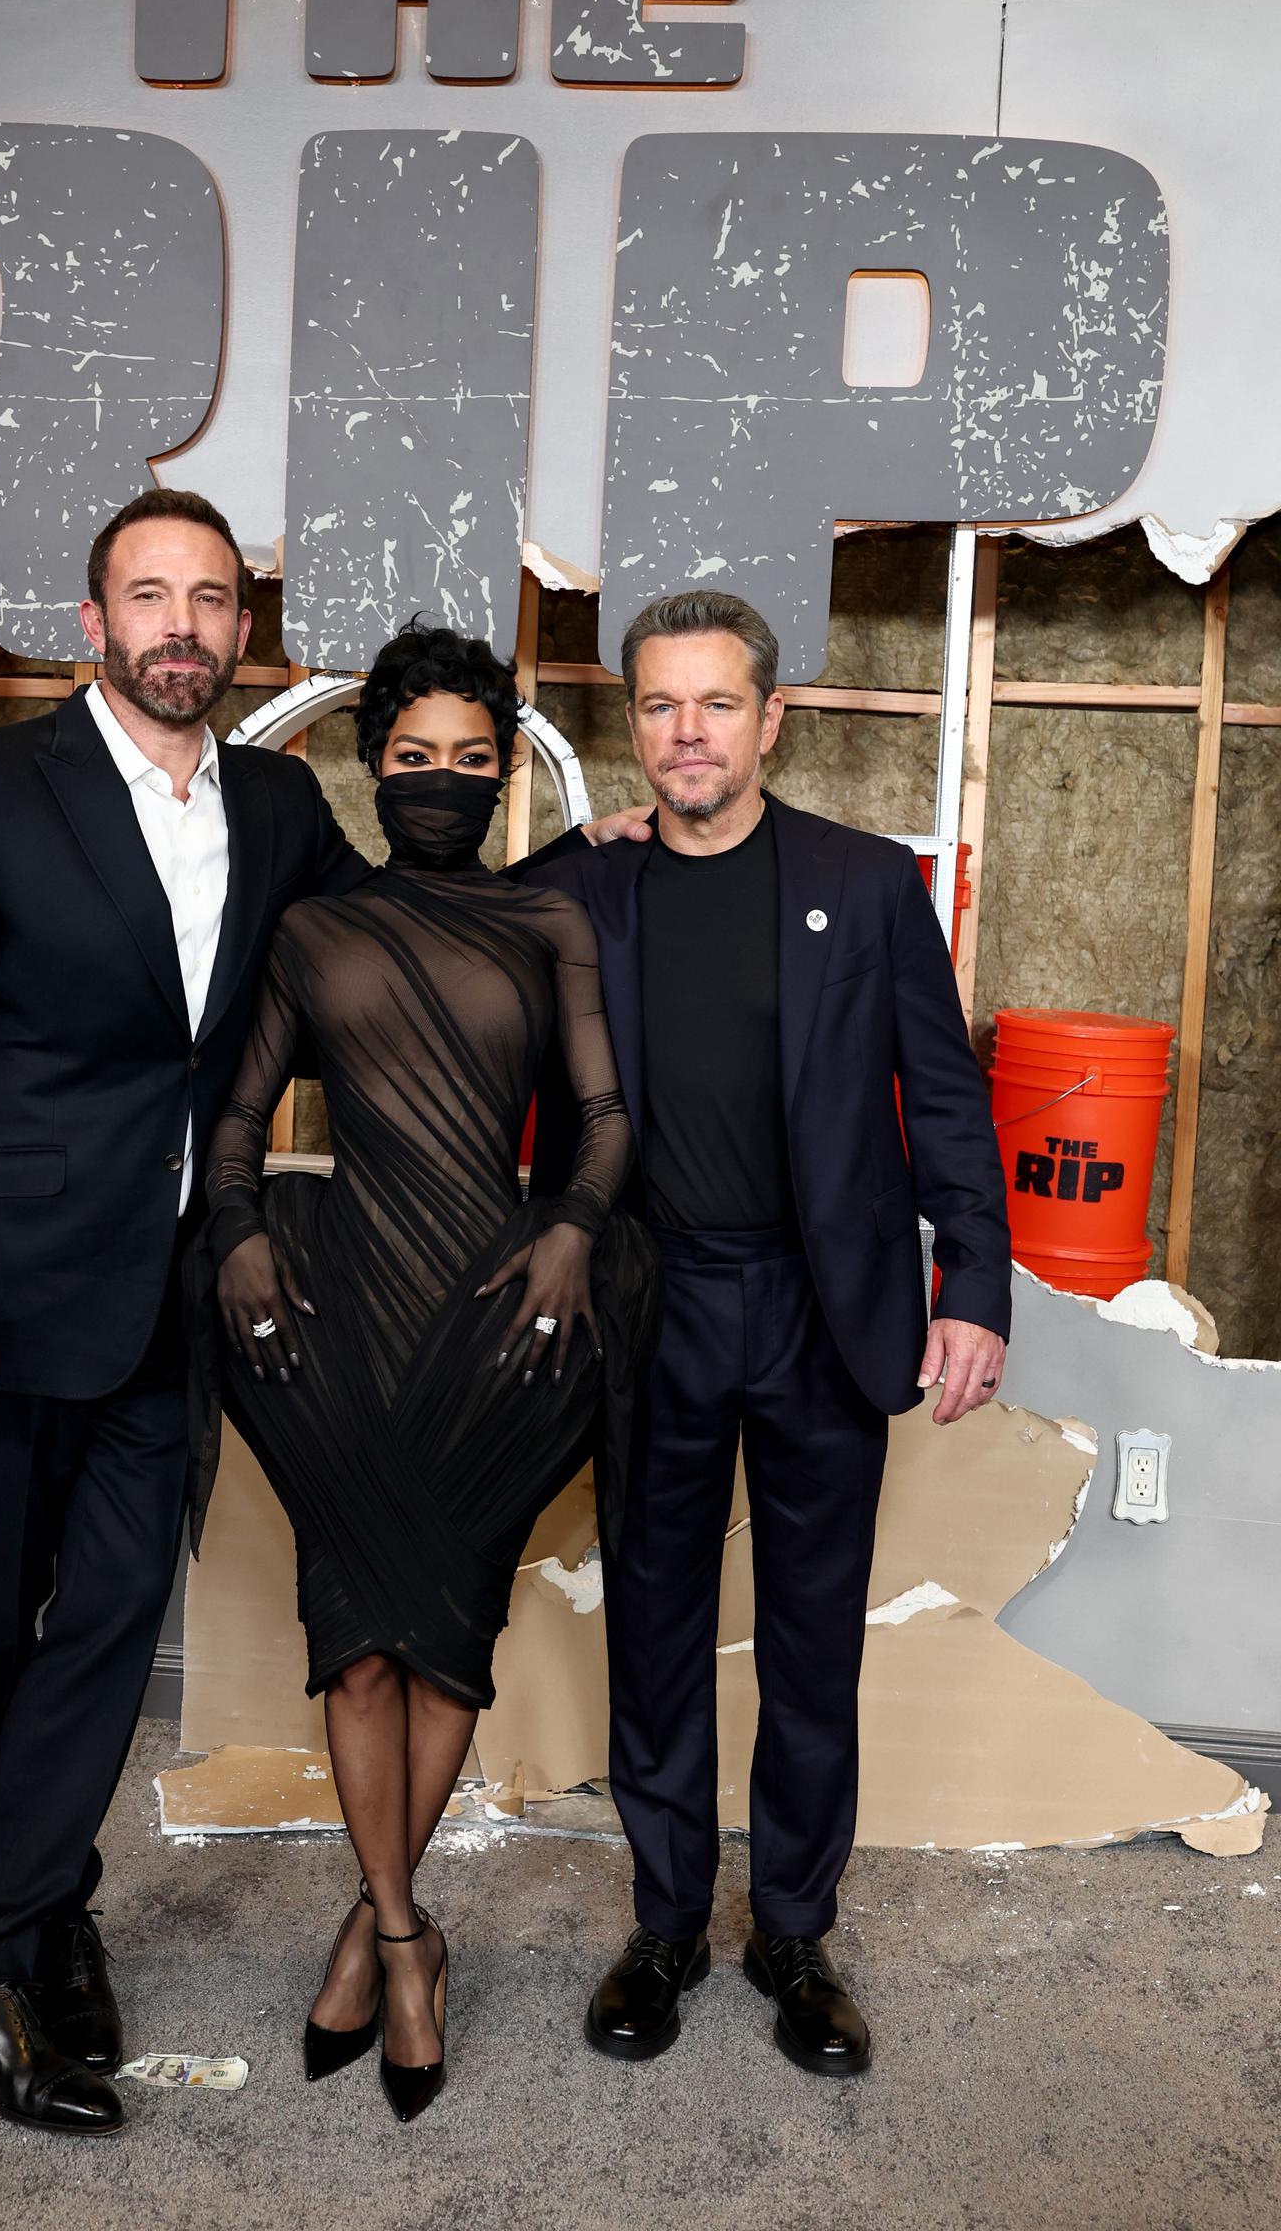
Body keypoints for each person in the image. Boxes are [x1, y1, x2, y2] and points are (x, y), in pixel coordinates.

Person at [0, 488, 378, 2134]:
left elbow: (404, 937)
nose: (182, 628)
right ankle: (42, 1914)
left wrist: (602, 865)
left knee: (112, 1617)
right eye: (149, 597)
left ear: (241, 630)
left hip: (181, 1293)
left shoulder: (281, 804)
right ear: (92, 625)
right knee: (1, 1633)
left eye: (211, 601)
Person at [522, 588, 1012, 2078]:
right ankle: (667, 1920)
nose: (688, 733)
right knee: (656, 1631)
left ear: (770, 717)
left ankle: (793, 1930)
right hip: (651, 1299)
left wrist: (974, 1290)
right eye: (660, 707)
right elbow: (443, 949)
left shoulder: (867, 887)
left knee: (811, 1640)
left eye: (716, 704)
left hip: (821, 1307)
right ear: (633, 728)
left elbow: (944, 1097)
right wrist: (567, 844)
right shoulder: (583, 890)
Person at [197, 622, 659, 2121]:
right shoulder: (313, 932)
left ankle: (379, 1932)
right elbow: (235, 1119)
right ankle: (407, 1939)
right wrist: (239, 1234)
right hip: (337, 1309)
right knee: (359, 1635)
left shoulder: (548, 923)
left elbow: (603, 1118)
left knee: (447, 1628)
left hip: (498, 1309)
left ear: (504, 771)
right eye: (415, 760)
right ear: (372, 769)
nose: (444, 784)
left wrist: (582, 1227)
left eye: (474, 760)